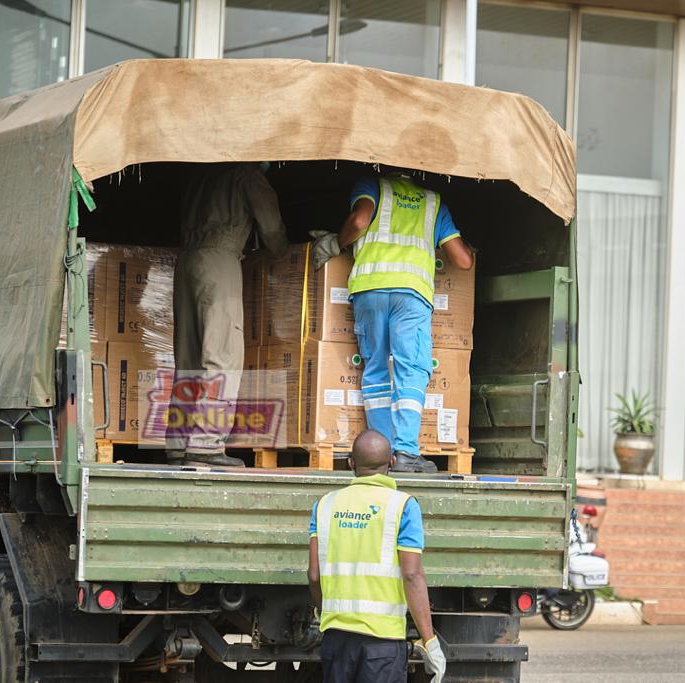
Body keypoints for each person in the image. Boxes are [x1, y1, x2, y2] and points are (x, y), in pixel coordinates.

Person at [312, 170, 473, 473]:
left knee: (374, 369)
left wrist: (338, 243)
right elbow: (463, 261)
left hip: (369, 289)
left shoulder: (371, 184)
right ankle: (407, 452)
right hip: (411, 294)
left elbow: (359, 222)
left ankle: (381, 454)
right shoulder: (434, 202)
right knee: (410, 369)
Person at [168, 163, 288, 467]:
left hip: (187, 262)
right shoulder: (246, 173)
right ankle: (207, 443)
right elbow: (271, 228)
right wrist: (285, 253)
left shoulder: (200, 172)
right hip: (220, 261)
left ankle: (179, 444)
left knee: (189, 358)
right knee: (222, 355)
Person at [308, 430, 446, 683]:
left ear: (351, 463)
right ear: (392, 462)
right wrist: (429, 641)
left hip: (336, 639)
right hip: (382, 644)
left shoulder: (325, 505)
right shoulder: (403, 506)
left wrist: (325, 611)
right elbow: (412, 575)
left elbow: (314, 575)